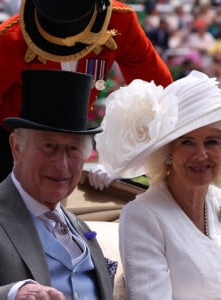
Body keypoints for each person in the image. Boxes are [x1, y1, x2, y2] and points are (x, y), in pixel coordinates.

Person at [0, 0, 173, 217]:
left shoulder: (121, 23)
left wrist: (122, 160)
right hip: (2, 141)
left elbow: (161, 90)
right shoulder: (8, 38)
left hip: (71, 137)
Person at [0, 69, 117, 300]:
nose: (61, 165)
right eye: (48, 146)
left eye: (72, 149)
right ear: (16, 148)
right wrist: (15, 295)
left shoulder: (79, 228)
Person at [90, 70, 221, 299]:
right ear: (168, 152)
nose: (201, 155)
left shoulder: (217, 200)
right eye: (187, 142)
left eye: (212, 142)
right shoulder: (143, 215)